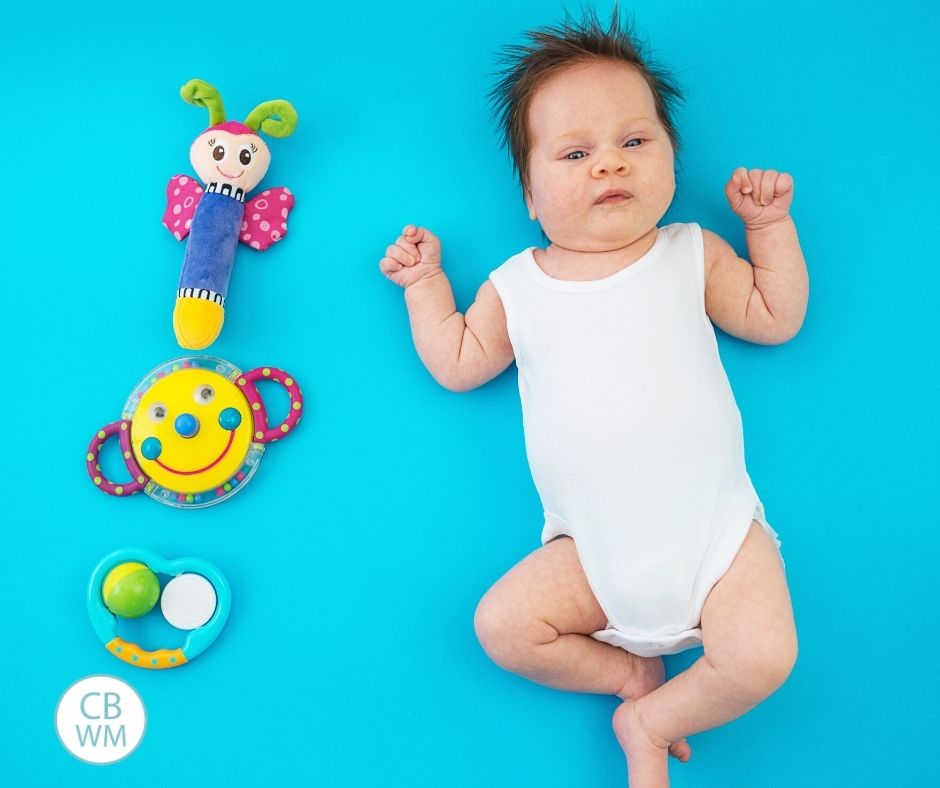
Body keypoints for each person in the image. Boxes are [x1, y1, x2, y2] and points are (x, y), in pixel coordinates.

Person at [379, 10, 807, 786]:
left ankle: (652, 719)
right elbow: (460, 361)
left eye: (634, 143)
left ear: (673, 160)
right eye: (576, 153)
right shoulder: (518, 285)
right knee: (502, 628)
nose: (609, 165)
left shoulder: (689, 252)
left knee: (765, 656)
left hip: (718, 537)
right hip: (591, 554)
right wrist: (425, 286)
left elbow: (775, 317)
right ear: (533, 197)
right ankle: (625, 677)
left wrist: (768, 227)